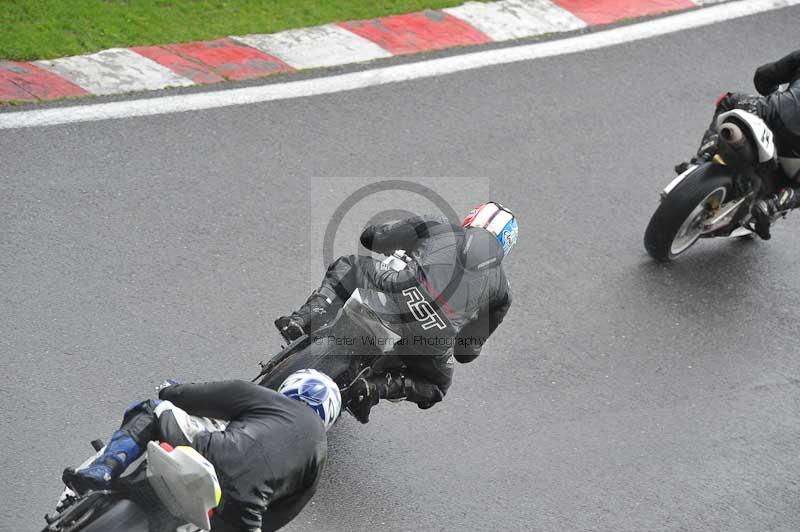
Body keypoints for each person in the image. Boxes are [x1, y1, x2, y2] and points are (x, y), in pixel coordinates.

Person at [275, 202, 516, 423]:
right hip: (433, 334)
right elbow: (467, 351)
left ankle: (304, 319)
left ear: (473, 217)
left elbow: (374, 238)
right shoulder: (502, 290)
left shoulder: (437, 225)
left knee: (349, 265)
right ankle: (375, 388)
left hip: (396, 293)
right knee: (436, 386)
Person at [62, 370, 341, 532]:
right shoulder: (319, 456)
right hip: (242, 512)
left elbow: (202, 397)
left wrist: (170, 392)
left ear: (292, 387)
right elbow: (281, 515)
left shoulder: (271, 400)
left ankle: (103, 468)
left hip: (211, 454)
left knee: (154, 410)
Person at [679, 49, 800, 240]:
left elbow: (763, 76)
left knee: (729, 102)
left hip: (772, 112)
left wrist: (773, 96)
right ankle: (772, 205)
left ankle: (700, 160)